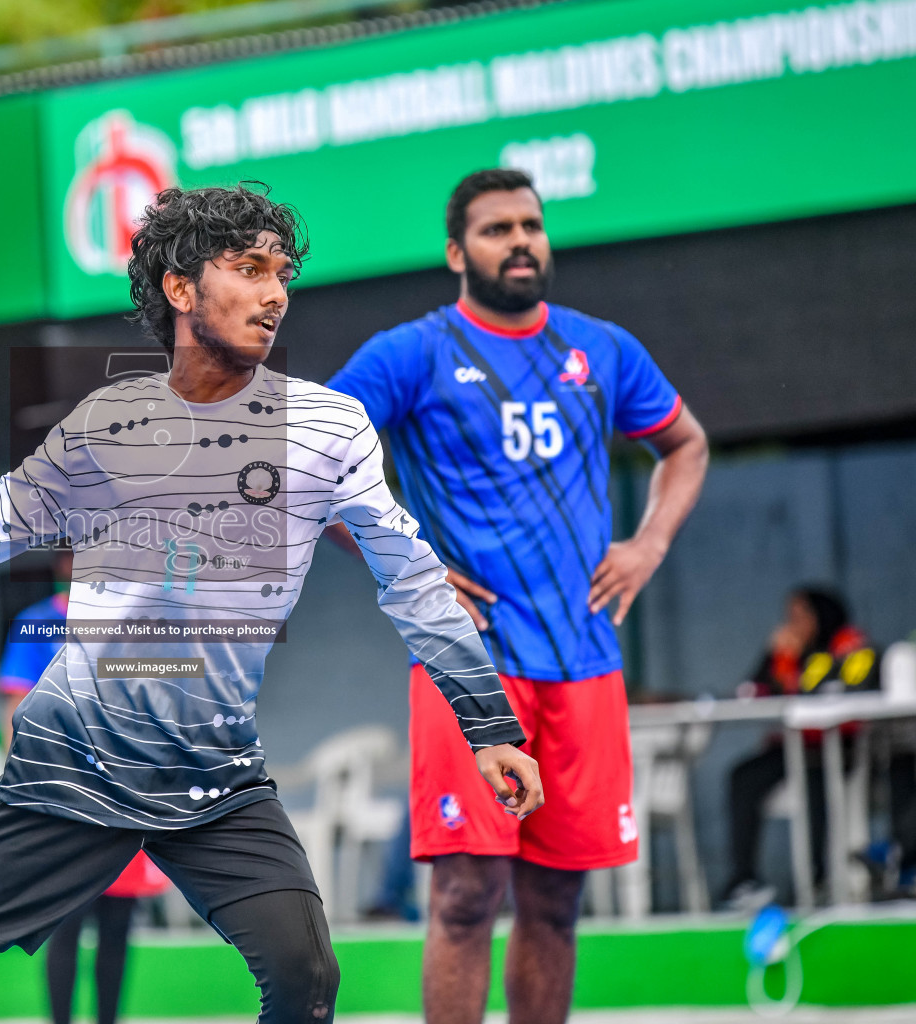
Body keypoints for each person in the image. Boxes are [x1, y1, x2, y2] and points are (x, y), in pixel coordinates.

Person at [0, 183, 543, 1024]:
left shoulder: (331, 427)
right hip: (71, 766)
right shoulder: (104, 427)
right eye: (248, 267)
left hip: (216, 774)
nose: (275, 293)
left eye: (282, 272)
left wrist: (489, 723)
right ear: (180, 287)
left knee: (306, 975)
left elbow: (413, 577)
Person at [326, 168, 708, 1024]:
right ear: (458, 252)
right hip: (471, 667)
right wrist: (405, 563)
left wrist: (647, 545)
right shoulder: (411, 353)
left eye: (531, 224)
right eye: (498, 229)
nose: (522, 240)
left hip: (584, 661)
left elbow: (685, 445)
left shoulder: (601, 348)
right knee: (467, 895)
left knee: (556, 904)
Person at [0, 548, 172, 1024]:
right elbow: (15, 710)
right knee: (65, 924)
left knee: (117, 926)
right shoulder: (35, 625)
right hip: (63, 800)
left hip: (123, 796)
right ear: (64, 566)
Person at [724, 586, 880, 910]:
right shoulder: (790, 651)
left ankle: (815, 880)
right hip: (792, 746)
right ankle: (743, 880)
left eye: (800, 616)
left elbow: (827, 693)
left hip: (838, 748)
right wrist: (776, 656)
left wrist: (789, 663)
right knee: (743, 775)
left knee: (815, 782)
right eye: (790, 617)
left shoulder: (850, 645)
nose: (793, 624)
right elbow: (753, 692)